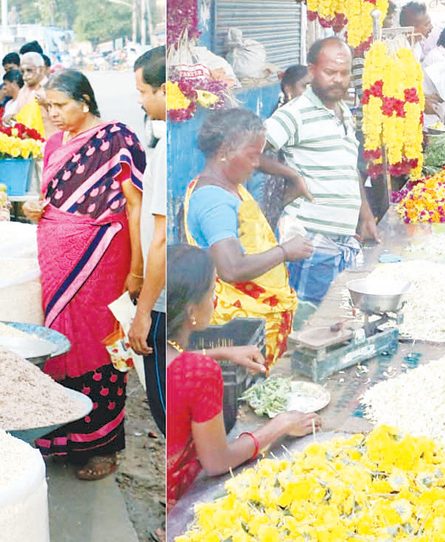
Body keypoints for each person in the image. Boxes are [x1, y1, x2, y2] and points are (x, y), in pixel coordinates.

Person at [22, 70, 146, 481]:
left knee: (102, 345)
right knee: (61, 343)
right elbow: (51, 197)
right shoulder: (55, 142)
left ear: (86, 101)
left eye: (60, 105)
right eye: (48, 107)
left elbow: (134, 206)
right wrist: (35, 209)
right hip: (57, 256)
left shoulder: (117, 139)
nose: (53, 114)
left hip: (103, 257)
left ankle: (102, 446)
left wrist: (137, 269)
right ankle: (63, 438)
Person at [166, 244, 321, 510]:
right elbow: (216, 462)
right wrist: (279, 425)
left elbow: (173, 364)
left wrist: (221, 352)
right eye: (212, 292)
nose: (214, 300)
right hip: (177, 496)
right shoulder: (200, 374)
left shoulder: (144, 342)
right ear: (191, 311)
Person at [185, 108, 309, 367]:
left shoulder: (230, 186)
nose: (257, 164)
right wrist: (285, 251)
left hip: (256, 316)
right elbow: (231, 268)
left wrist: (291, 176)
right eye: (253, 156)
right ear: (223, 152)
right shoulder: (214, 201)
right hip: (239, 327)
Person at [261, 38, 379, 307]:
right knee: (307, 321)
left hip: (343, 242)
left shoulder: (344, 113)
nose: (338, 80)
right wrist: (291, 175)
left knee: (332, 321)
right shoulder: (294, 113)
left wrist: (366, 215)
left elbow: (348, 168)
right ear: (312, 71)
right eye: (330, 72)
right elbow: (247, 151)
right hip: (311, 242)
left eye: (344, 72)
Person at [129, 46, 167, 437]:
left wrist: (144, 312)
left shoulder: (166, 151)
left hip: (165, 302)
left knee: (165, 403)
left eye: (143, 92)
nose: (140, 101)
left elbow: (160, 240)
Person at [4, 52, 57, 138]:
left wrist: (46, 104)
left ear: (41, 69)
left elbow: (64, 118)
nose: (25, 75)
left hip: (49, 143)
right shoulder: (23, 91)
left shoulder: (51, 89)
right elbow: (20, 115)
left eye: (29, 70)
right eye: (22, 71)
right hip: (28, 146)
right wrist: (11, 118)